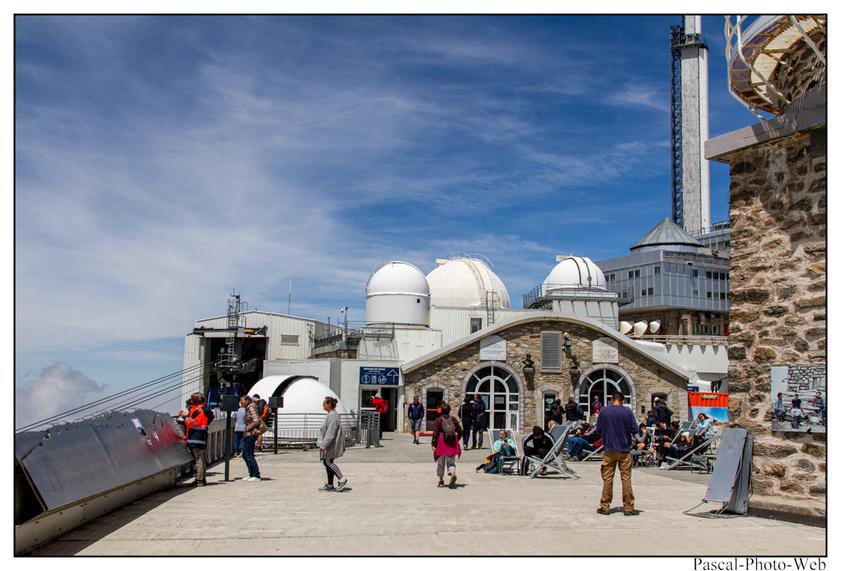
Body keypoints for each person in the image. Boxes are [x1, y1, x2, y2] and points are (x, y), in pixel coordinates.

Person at [595, 391, 639, 516]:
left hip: (609, 449)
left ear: (612, 399)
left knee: (607, 478)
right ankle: (629, 508)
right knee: (626, 479)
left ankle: (605, 506)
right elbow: (635, 429)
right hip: (624, 450)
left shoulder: (604, 411)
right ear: (622, 400)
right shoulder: (627, 412)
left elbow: (598, 429)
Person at [318, 396, 349, 491]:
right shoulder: (331, 414)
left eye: (324, 403)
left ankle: (342, 479)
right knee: (328, 462)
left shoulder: (332, 415)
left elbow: (330, 432)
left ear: (329, 405)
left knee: (327, 462)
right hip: (330, 444)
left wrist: (324, 445)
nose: (323, 405)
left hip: (332, 444)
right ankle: (330, 484)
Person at [179, 392, 209, 486]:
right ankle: (202, 479)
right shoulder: (205, 409)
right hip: (201, 436)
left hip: (195, 437)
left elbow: (192, 424)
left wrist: (185, 416)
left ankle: (199, 480)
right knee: (201, 458)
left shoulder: (198, 410)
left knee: (198, 459)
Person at [431, 402, 463, 488]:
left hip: (441, 444)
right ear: (449, 410)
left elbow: (435, 433)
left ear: (441, 410)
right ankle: (452, 473)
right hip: (452, 444)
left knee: (440, 463)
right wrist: (456, 440)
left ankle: (441, 480)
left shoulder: (438, 420)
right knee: (451, 462)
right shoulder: (453, 419)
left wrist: (433, 444)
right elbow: (460, 432)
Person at [240, 395, 262, 481]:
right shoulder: (249, 408)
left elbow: (256, 421)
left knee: (247, 454)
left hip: (251, 433)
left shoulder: (251, 408)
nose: (241, 403)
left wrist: (247, 428)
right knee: (246, 454)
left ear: (247, 401)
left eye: (242, 401)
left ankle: (256, 475)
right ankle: (251, 473)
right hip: (249, 434)